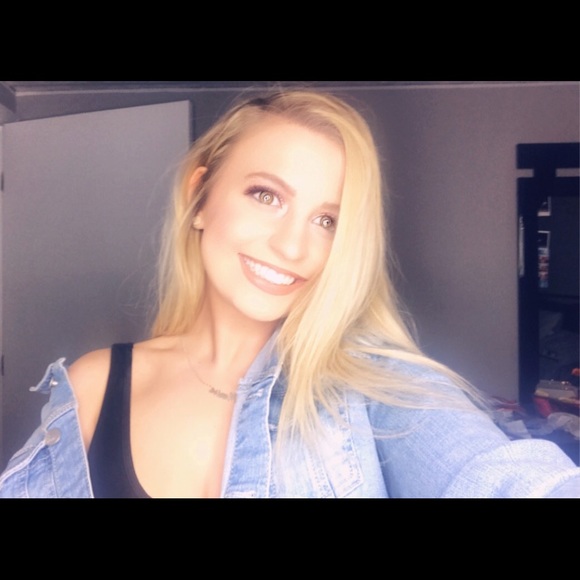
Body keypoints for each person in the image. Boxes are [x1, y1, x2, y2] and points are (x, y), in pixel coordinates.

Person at [1, 89, 579, 498]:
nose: (293, 246)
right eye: (266, 195)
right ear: (201, 197)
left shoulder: (372, 387)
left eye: (327, 221)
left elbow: (506, 478)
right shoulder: (95, 384)